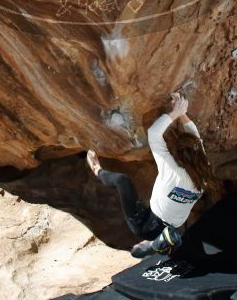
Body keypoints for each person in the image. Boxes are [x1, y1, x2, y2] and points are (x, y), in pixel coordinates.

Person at [86, 92, 223, 258]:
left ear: (179, 155)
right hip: (172, 223)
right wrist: (181, 114)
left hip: (145, 225)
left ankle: (96, 169)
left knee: (122, 181)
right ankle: (160, 241)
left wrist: (177, 113)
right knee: (159, 217)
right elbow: (195, 140)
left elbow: (154, 133)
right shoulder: (203, 170)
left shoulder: (172, 170)